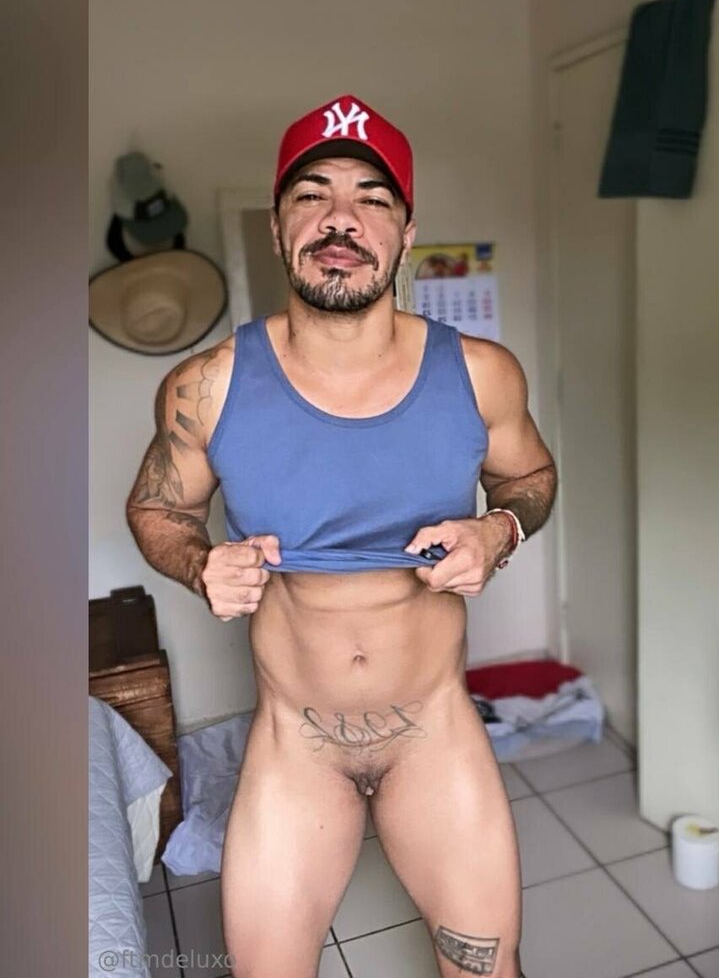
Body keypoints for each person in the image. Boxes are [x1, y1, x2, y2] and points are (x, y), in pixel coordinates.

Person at [126, 93, 558, 978]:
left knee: (486, 971)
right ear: (279, 228)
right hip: (297, 748)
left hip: (433, 736)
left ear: (405, 233)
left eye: (371, 198)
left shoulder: (482, 374)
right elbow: (156, 508)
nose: (340, 219)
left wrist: (499, 529)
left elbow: (531, 478)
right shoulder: (206, 386)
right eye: (312, 195)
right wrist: (200, 563)